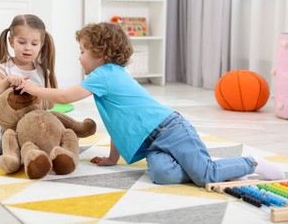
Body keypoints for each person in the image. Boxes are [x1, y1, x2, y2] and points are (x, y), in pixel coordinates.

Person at [15, 22, 285, 187]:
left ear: (100, 54)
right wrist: (112, 158)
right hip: (155, 142)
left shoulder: (105, 75)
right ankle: (204, 165)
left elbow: (63, 97)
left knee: (205, 176)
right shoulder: (107, 78)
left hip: (172, 130)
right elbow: (120, 125)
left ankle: (251, 163)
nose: (79, 57)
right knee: (161, 175)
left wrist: (33, 87)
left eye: (83, 51)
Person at [0, 14, 57, 159]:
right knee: (14, 143)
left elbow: (50, 105)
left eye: (34, 44)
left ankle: (31, 151)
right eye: (22, 42)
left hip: (38, 125)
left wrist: (37, 91)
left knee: (53, 137)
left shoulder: (43, 71)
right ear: (11, 41)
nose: (27, 48)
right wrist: (7, 80)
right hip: (12, 128)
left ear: (41, 45)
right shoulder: (3, 69)